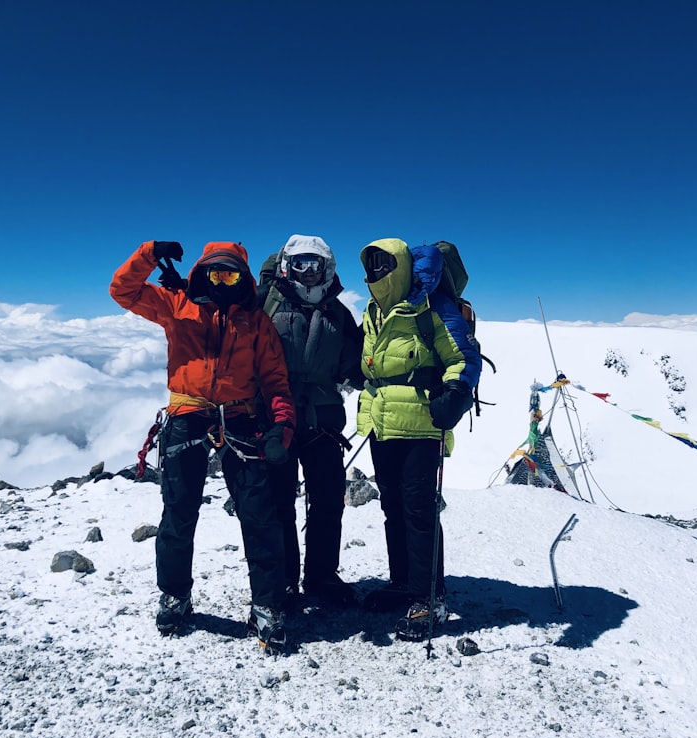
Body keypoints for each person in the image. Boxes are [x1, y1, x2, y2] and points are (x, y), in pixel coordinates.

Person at [110, 239, 296, 652]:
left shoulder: (255, 322)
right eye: (214, 273)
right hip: (187, 414)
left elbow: (275, 380)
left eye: (230, 274)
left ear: (244, 279)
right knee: (178, 512)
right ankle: (175, 595)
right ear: (201, 273)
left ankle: (267, 604)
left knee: (258, 513)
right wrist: (148, 253)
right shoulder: (177, 305)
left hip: (241, 417)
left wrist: (282, 426)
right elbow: (123, 291)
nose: (221, 281)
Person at [355, 238, 482, 640]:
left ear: (403, 265)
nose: (376, 272)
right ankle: (405, 585)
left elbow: (462, 357)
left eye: (384, 263)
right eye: (372, 265)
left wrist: (456, 394)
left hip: (423, 424)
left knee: (419, 511)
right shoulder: (373, 311)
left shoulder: (432, 306)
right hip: (381, 422)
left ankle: (431, 598)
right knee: (393, 507)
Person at [258, 234, 364, 607]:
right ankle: (285, 578)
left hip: (323, 421)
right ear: (287, 265)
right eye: (299, 263)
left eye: (314, 265)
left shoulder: (338, 313)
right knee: (279, 500)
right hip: (276, 419)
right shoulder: (266, 304)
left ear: (326, 268)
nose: (306, 272)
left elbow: (356, 362)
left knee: (328, 500)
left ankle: (321, 576)